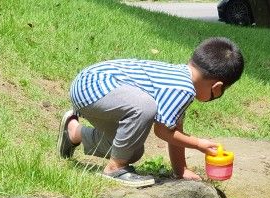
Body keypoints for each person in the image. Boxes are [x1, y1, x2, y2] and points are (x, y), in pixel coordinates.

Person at [57, 37, 244, 187]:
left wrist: (181, 170)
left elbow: (174, 128)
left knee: (131, 151)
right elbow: (163, 131)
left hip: (90, 87)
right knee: (145, 106)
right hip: (93, 86)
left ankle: (73, 132)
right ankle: (114, 169)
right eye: (223, 91)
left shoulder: (182, 80)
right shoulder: (182, 88)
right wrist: (198, 144)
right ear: (217, 86)